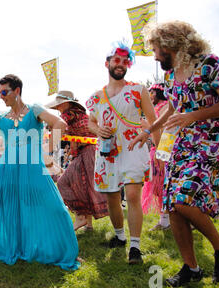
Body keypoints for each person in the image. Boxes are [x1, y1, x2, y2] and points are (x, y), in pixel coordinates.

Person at [130, 20, 219, 286]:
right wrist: (148, 130)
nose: (154, 55)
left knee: (184, 199)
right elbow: (171, 109)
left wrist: (194, 116)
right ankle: (192, 269)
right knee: (172, 206)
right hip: (181, 144)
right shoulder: (172, 74)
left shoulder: (210, 64)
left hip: (209, 141)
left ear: (170, 44)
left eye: (155, 48)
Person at [0, 74, 80, 271]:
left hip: (33, 168)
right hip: (5, 169)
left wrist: (46, 153)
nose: (1, 96)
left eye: (4, 92)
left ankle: (61, 248)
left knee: (56, 209)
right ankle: (1, 245)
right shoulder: (1, 118)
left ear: (17, 91)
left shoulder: (34, 110)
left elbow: (60, 123)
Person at [86, 42, 157, 264]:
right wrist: (98, 130)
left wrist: (146, 135)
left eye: (125, 61)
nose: (121, 64)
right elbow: (90, 122)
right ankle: (119, 236)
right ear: (107, 63)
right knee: (112, 198)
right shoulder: (96, 97)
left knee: (133, 195)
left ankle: (135, 247)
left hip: (132, 148)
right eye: (116, 60)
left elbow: (154, 121)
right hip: (107, 153)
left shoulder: (138, 90)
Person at [46, 91, 108, 231]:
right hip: (89, 152)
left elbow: (57, 125)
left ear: (67, 103)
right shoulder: (78, 114)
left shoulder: (69, 114)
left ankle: (80, 217)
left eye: (59, 106)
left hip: (88, 151)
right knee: (84, 187)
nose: (58, 109)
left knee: (63, 183)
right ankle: (89, 225)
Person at [141, 83, 170, 231]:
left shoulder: (165, 107)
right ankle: (164, 220)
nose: (150, 96)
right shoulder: (156, 109)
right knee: (158, 188)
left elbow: (165, 130)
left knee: (163, 186)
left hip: (164, 149)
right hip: (156, 148)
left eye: (152, 92)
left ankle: (166, 221)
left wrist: (160, 152)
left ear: (158, 92)